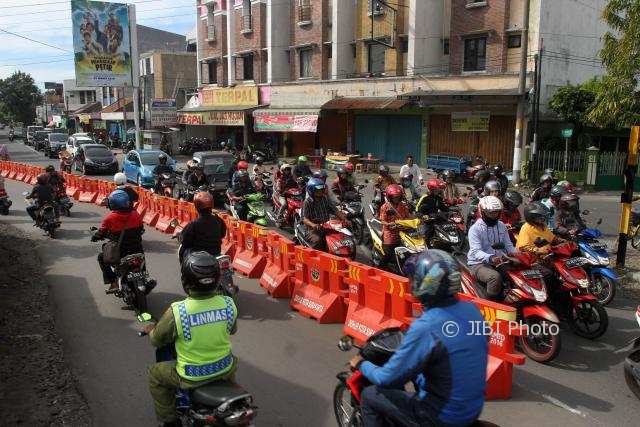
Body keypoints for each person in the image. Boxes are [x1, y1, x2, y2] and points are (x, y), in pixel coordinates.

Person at [353, 250, 488, 427]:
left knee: (370, 395)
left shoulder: (426, 326)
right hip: (472, 409)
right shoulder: (472, 311)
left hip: (441, 416)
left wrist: (361, 364)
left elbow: (387, 378)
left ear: (423, 284)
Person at [145, 251, 237, 427]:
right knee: (229, 360)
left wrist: (151, 330)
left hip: (192, 374)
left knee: (155, 374)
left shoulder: (178, 311)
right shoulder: (228, 303)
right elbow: (232, 329)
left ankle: (170, 421)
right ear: (217, 279)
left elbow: (156, 340)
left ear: (185, 281)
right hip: (225, 366)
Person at [91, 190, 144, 293]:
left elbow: (101, 232)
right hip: (137, 248)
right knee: (141, 259)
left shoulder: (110, 218)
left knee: (101, 257)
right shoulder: (135, 214)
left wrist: (96, 237)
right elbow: (141, 229)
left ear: (112, 204)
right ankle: (143, 274)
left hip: (120, 252)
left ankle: (113, 282)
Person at [467, 196, 518, 301]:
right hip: (478, 263)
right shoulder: (475, 229)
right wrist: (490, 258)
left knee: (517, 273)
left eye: (496, 212)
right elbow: (476, 251)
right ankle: (492, 303)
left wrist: (519, 255)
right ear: (483, 212)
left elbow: (508, 245)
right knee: (494, 277)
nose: (494, 216)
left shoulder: (501, 225)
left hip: (500, 261)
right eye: (491, 213)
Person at [301, 178, 349, 250]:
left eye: (321, 189)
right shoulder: (307, 202)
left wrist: (345, 219)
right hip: (312, 229)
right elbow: (304, 219)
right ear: (311, 190)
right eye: (318, 190)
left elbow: (335, 210)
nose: (320, 192)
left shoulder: (325, 199)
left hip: (326, 226)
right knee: (318, 241)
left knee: (340, 237)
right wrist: (313, 225)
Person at [179, 191, 226, 264]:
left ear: (196, 206)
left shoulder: (194, 223)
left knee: (183, 250)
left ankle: (185, 274)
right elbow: (223, 234)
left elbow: (185, 240)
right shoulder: (219, 220)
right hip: (216, 252)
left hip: (198, 254)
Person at [379, 184, 412, 267]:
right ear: (390, 197)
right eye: (395, 197)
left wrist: (416, 221)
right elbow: (382, 221)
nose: (397, 199)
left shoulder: (403, 205)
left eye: (398, 197)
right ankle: (381, 267)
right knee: (388, 254)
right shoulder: (385, 207)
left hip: (403, 231)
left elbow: (409, 217)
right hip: (390, 233)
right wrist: (390, 224)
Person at [416, 179, 449, 244]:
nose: (439, 190)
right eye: (437, 189)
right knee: (424, 237)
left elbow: (443, 208)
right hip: (427, 221)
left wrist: (451, 211)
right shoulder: (425, 197)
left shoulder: (438, 198)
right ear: (432, 189)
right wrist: (423, 216)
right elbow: (417, 210)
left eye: (439, 188)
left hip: (436, 219)